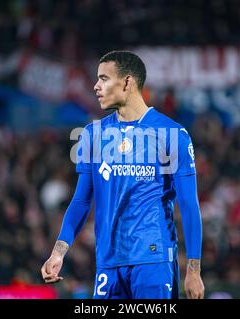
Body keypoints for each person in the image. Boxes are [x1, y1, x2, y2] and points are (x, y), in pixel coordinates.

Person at [41, 50, 204, 299]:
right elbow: (82, 200)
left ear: (127, 82)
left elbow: (189, 205)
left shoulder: (172, 134)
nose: (96, 86)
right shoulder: (92, 135)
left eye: (104, 79)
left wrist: (193, 270)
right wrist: (58, 251)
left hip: (153, 261)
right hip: (108, 262)